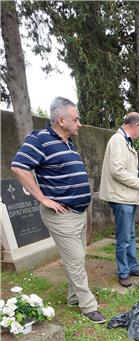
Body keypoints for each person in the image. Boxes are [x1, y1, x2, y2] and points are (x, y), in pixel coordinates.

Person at [11, 96, 106, 323]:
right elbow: (19, 166)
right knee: (75, 259)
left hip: (78, 213)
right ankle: (88, 305)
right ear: (61, 120)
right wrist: (42, 198)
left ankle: (73, 296)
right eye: (76, 119)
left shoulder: (68, 143)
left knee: (78, 257)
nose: (79, 123)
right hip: (60, 215)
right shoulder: (40, 139)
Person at [99, 112, 139, 287]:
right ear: (136, 125)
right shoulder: (117, 140)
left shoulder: (126, 142)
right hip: (121, 197)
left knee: (130, 234)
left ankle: (133, 266)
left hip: (127, 197)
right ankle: (123, 272)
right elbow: (117, 171)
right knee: (123, 237)